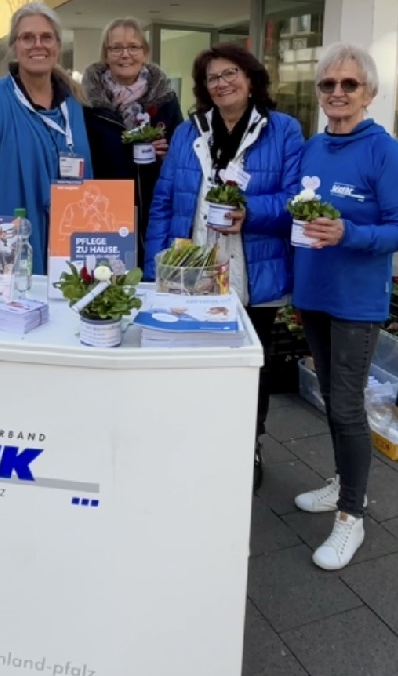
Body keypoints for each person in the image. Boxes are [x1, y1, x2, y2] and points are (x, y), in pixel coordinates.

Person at [146, 43, 304, 491]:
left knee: (251, 368)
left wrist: (249, 211)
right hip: (190, 272)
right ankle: (196, 444)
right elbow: (164, 201)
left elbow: (296, 200)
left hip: (254, 276)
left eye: (231, 73)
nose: (222, 83)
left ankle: (247, 446)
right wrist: (152, 269)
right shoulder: (188, 132)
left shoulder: (284, 131)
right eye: (213, 78)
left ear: (251, 79)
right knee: (193, 364)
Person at [291, 43, 398, 571]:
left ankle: (352, 516)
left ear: (369, 92)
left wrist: (349, 232)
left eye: (349, 85)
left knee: (346, 406)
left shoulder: (386, 152)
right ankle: (344, 481)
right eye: (328, 85)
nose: (337, 93)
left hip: (357, 301)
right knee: (330, 396)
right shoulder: (314, 146)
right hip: (313, 293)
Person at [0, 1, 93, 274]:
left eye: (46, 37)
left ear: (58, 46)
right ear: (14, 47)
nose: (38, 44)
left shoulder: (73, 107)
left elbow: (87, 184)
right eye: (27, 37)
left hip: (66, 254)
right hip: (5, 251)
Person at [81, 18, 183, 265]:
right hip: (103, 210)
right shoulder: (86, 102)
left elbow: (183, 154)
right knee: (109, 279)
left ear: (145, 52)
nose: (125, 55)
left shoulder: (165, 99)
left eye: (133, 47)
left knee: (151, 276)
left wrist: (167, 153)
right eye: (116, 48)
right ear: (105, 54)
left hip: (154, 208)